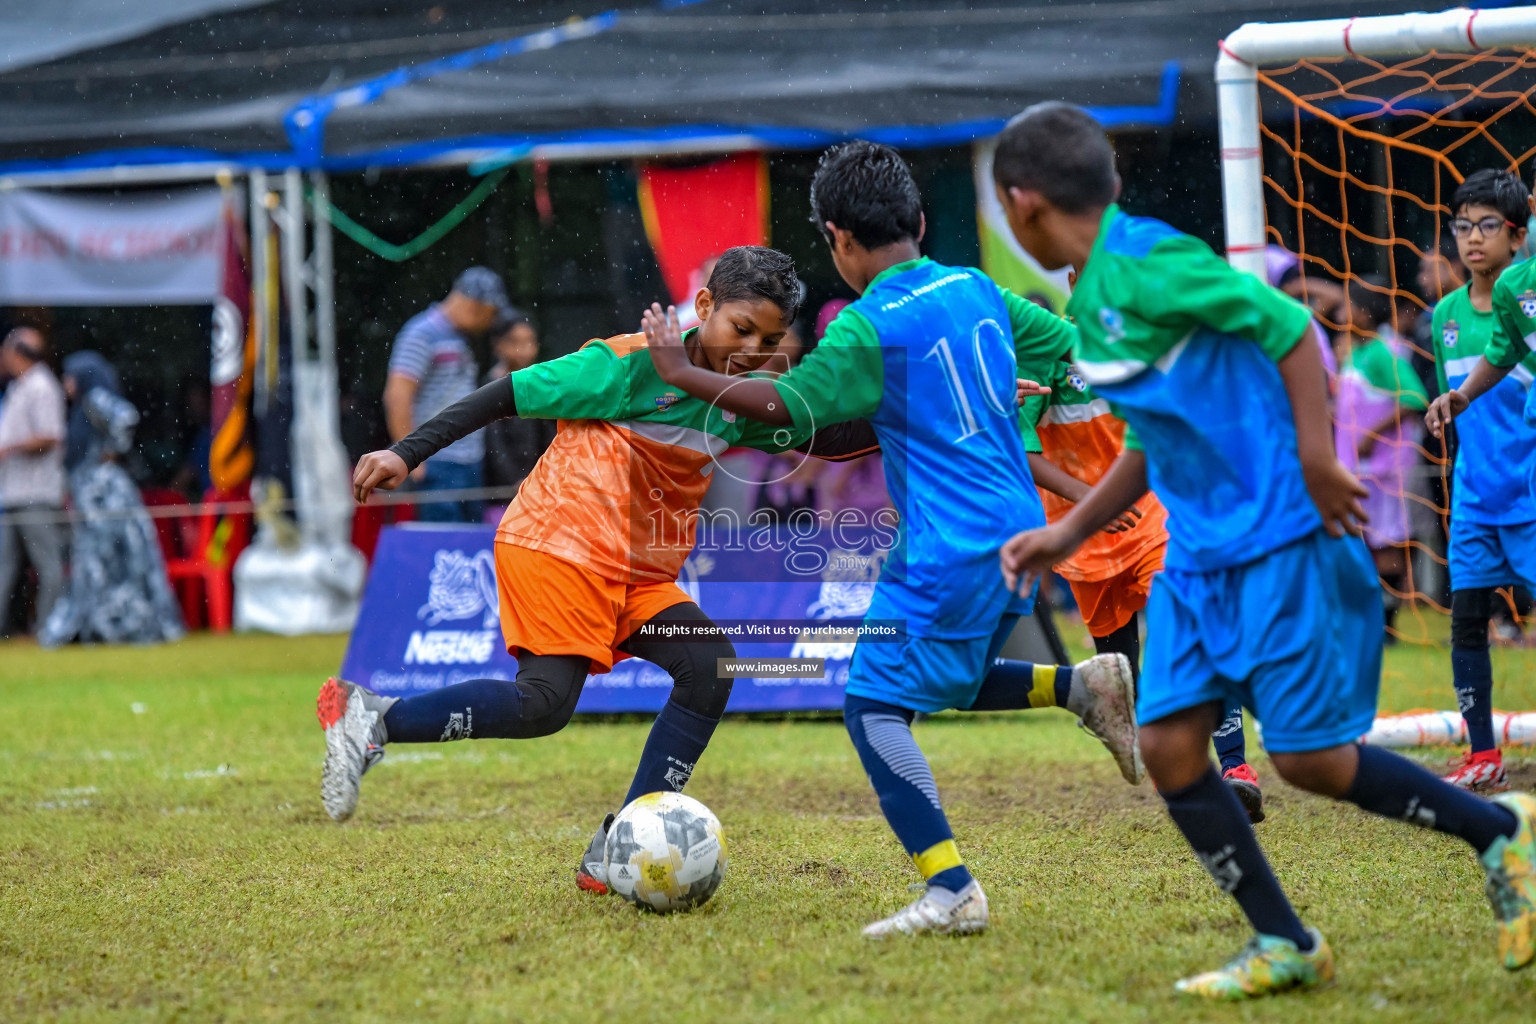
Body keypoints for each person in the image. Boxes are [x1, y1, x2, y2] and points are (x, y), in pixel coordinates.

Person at [994, 102, 1533, 997]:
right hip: (1199, 556)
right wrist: (1069, 528)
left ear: (1021, 205)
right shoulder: (1090, 302)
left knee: (1308, 761)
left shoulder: (1149, 263)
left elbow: (1286, 329)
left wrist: (1319, 462)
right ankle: (1287, 941)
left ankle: (1497, 832)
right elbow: (1153, 441)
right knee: (1170, 750)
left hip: (1277, 538)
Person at [639, 142, 1140, 938]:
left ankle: (952, 891)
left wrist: (682, 371)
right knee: (943, 674)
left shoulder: (866, 325)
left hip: (950, 542)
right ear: (919, 219)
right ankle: (1080, 689)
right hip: (1015, 522)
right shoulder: (977, 287)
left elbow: (786, 409)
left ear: (837, 238)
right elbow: (1062, 349)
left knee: (873, 705)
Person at [322, 248, 888, 893]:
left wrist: (958, 417)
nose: (753, 350)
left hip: (635, 575)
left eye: (769, 338)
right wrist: (404, 452)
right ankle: (374, 720)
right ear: (703, 308)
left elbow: (833, 439)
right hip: (559, 545)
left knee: (709, 669)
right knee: (544, 704)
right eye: (741, 329)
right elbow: (507, 394)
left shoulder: (737, 400)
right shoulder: (623, 366)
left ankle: (616, 846)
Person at [1019, 353, 1266, 823]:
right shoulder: (1045, 347)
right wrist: (1095, 503)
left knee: (1196, 624)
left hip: (1152, 516)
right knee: (1121, 675)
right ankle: (1176, 778)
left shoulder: (1139, 338)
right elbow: (1024, 452)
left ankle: (1235, 767)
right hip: (1083, 533)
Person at [1423, 169, 1536, 788]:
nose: (1471, 239)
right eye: (1462, 226)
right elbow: (1461, 401)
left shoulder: (1527, 301)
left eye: (1487, 226)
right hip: (1474, 500)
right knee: (1466, 619)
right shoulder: (1444, 316)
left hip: (1531, 494)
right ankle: (1483, 753)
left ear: (1517, 237)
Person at [38, 352, 183, 647]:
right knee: (97, 562)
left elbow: (126, 418)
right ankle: (102, 627)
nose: (66, 384)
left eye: (69, 377)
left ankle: (121, 625)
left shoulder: (94, 399)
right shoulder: (82, 407)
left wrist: (110, 452)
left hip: (104, 497)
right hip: (90, 497)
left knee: (108, 560)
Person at [1331, 276, 1430, 640]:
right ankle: (1371, 618)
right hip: (1359, 470)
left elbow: (1415, 398)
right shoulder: (1355, 354)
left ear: (1364, 311)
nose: (1341, 313)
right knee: (1365, 539)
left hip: (1386, 470)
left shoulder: (1382, 352)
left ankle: (1387, 625)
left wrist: (1372, 436)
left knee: (1387, 540)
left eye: (1348, 306)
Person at [384, 267, 506, 523]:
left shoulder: (457, 337)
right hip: (437, 461)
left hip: (467, 461)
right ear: (476, 306)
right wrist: (409, 457)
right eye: (490, 314)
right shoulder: (421, 333)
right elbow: (397, 395)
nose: (490, 322)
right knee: (441, 545)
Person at [0, 328, 67, 637]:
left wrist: (9, 448)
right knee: (5, 565)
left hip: (36, 492)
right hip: (11, 492)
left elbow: (50, 436)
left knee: (48, 564)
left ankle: (49, 629)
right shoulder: (19, 387)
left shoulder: (42, 386)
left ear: (19, 353)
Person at [480, 308, 555, 518]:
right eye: (515, 342)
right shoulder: (490, 386)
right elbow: (494, 443)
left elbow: (549, 436)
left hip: (536, 486)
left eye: (530, 341)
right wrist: (514, 480)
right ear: (498, 345)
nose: (524, 349)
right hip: (502, 492)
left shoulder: (539, 384)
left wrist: (542, 475)